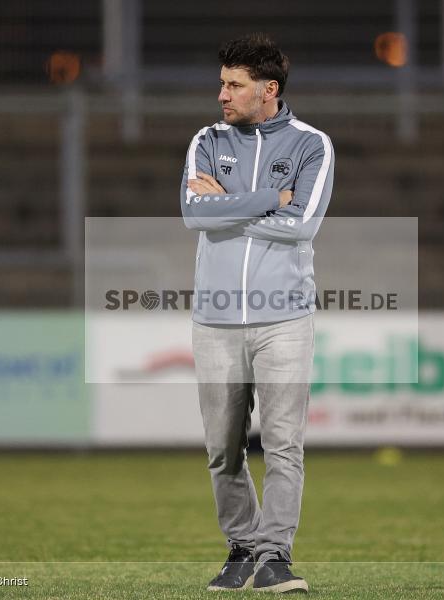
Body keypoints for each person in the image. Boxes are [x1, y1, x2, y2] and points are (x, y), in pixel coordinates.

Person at [179, 33, 334, 593]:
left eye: (234, 85)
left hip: (284, 319)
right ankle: (242, 547)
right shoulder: (206, 139)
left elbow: (304, 226)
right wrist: (273, 199)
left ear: (268, 90)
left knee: (283, 445)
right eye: (222, 83)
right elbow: (194, 215)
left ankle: (274, 557)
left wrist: (225, 204)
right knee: (223, 450)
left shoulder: (312, 144)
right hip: (215, 320)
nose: (222, 95)